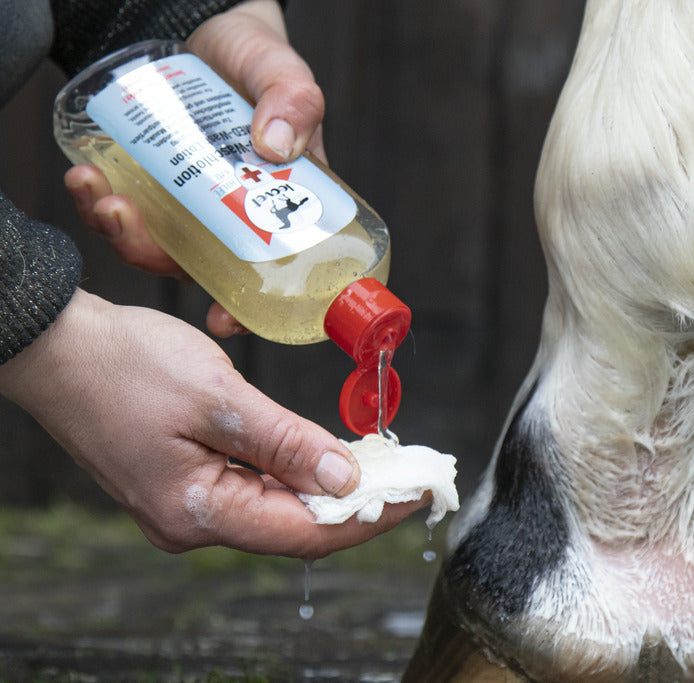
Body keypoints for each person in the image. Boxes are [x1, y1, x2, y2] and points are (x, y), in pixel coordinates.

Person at [0, 0, 428, 558]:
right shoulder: (346, 262)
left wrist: (175, 18)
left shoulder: (361, 251)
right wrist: (40, 331)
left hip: (146, 91)